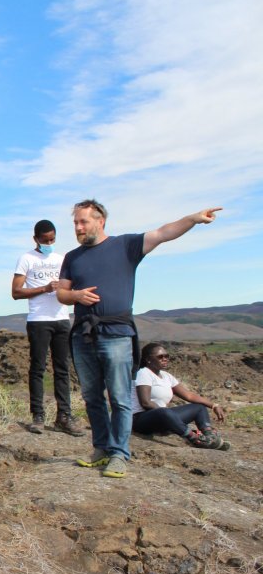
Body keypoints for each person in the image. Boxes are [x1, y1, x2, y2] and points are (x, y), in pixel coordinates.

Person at [57, 200, 222, 479]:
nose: (78, 228)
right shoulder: (72, 257)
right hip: (84, 336)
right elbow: (62, 293)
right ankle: (101, 448)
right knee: (92, 397)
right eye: (75, 223)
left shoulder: (126, 246)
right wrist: (76, 296)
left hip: (117, 335)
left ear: (101, 221)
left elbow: (163, 233)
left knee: (120, 398)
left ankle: (119, 454)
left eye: (83, 222)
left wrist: (192, 219)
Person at [11, 220, 83, 436]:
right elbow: (15, 291)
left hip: (62, 319)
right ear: (36, 239)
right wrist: (44, 288)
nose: (49, 243)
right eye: (45, 240)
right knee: (38, 368)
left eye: (52, 239)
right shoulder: (27, 259)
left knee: (63, 369)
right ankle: (38, 416)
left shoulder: (62, 259)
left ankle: (64, 416)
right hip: (39, 320)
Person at [132, 343, 229, 450]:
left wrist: (214, 405)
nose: (165, 359)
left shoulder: (166, 376)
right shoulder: (143, 373)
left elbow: (189, 395)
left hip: (162, 417)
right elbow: (145, 403)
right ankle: (195, 439)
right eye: (160, 357)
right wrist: (169, 418)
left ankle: (210, 437)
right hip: (140, 419)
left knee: (199, 407)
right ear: (148, 359)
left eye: (166, 356)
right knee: (165, 412)